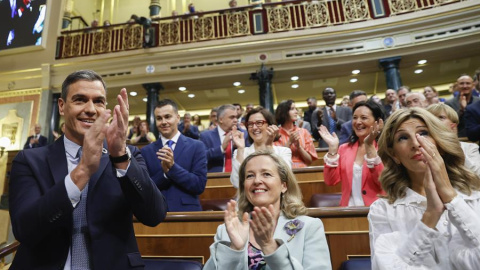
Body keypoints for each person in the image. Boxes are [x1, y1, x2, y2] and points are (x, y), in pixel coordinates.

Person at [9, 70, 167, 269]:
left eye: (99, 101)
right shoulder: (30, 160)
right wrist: (81, 172)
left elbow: (154, 215)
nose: (91, 109)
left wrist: (119, 155)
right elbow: (25, 229)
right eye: (80, 100)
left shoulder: (127, 155)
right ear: (62, 106)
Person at [369, 107, 480, 269]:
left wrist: (451, 198)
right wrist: (430, 215)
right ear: (394, 155)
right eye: (403, 138)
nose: (415, 143)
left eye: (423, 133)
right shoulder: (382, 210)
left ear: (439, 143)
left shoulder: (473, 196)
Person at [203, 151, 332, 270]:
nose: (257, 181)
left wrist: (270, 246)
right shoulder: (227, 230)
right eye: (250, 176)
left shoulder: (309, 227)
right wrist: (234, 250)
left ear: (284, 186)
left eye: (266, 174)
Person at [141, 99, 207, 212]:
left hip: (188, 213)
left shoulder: (197, 146)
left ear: (177, 118)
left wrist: (172, 168)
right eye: (159, 118)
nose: (163, 122)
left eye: (167, 117)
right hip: (156, 214)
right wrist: (165, 175)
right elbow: (145, 188)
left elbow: (199, 185)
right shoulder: (146, 151)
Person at [319, 100, 385, 206]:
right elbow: (330, 181)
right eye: (355, 117)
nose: (358, 122)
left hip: (378, 211)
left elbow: (383, 183)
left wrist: (370, 147)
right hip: (349, 212)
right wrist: (332, 149)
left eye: (363, 118)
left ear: (377, 122)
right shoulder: (344, 148)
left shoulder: (386, 149)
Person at [230, 106, 292, 188]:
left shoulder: (283, 151)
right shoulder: (240, 152)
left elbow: (283, 179)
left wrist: (269, 146)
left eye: (259, 123)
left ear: (270, 125)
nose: (254, 128)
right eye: (250, 124)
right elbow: (236, 183)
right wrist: (240, 149)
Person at [426, 103, 480, 177]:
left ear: (453, 126)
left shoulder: (470, 147)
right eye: (431, 118)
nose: (434, 121)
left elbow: (477, 175)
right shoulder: (423, 148)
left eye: (440, 117)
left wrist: (454, 145)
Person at [200, 104, 249, 172]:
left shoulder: (244, 134)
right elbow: (201, 157)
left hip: (239, 177)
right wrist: (221, 148)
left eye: (236, 117)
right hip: (215, 179)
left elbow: (250, 157)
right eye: (232, 117)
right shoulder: (206, 136)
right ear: (221, 119)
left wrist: (240, 148)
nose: (236, 120)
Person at [274, 100, 317, 168]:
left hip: (303, 172)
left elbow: (309, 161)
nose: (296, 112)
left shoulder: (304, 132)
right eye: (292, 109)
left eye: (295, 109)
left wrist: (299, 147)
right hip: (283, 171)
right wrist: (289, 142)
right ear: (283, 112)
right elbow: (276, 161)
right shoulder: (275, 134)